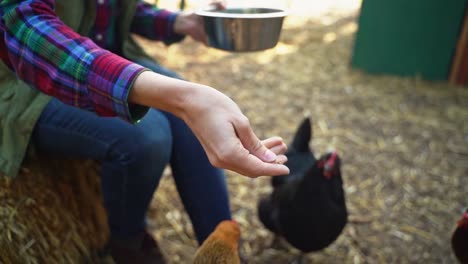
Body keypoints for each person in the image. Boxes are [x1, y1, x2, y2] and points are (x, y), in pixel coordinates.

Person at [0, 0, 289, 263]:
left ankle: (222, 251)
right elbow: (23, 25)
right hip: (31, 82)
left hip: (109, 57)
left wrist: (180, 23)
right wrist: (182, 99)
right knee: (148, 137)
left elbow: (113, 9)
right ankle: (128, 243)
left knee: (192, 118)